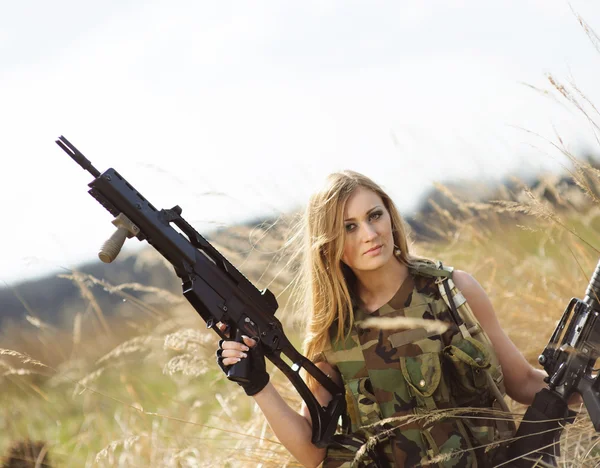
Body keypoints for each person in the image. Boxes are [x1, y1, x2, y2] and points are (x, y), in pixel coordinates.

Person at [216, 170, 555, 467]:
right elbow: (311, 451)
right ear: (328, 244)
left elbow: (523, 382)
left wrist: (587, 384)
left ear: (390, 216)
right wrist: (258, 386)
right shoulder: (335, 334)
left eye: (374, 216)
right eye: (349, 227)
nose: (369, 233)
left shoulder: (452, 291)